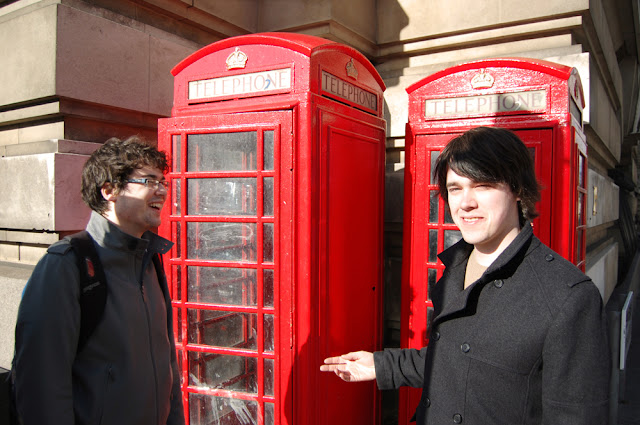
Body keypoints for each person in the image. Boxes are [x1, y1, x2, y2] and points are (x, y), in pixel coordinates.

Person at [320, 126, 611, 425]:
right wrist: (382, 366)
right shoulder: (455, 266)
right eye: (455, 188)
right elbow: (455, 358)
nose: (465, 203)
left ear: (518, 190)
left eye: (482, 185)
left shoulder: (568, 296)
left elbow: (576, 414)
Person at [13, 136, 185, 425]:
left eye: (163, 183)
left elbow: (167, 364)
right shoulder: (66, 265)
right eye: (149, 182)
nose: (162, 192)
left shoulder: (149, 260)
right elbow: (41, 385)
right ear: (109, 190)